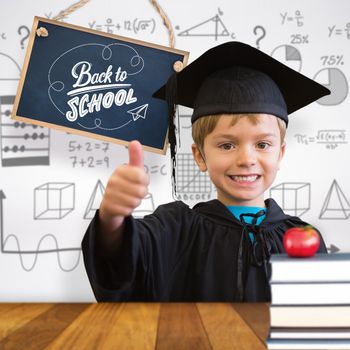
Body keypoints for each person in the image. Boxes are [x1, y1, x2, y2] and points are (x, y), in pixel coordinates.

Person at [82, 41, 330, 302]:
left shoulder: (303, 238)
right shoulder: (177, 229)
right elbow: (120, 265)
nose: (247, 159)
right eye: (227, 145)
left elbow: (317, 323)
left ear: (279, 154)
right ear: (200, 156)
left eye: (262, 144)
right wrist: (111, 217)